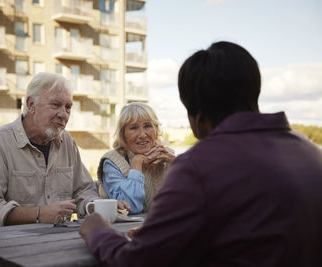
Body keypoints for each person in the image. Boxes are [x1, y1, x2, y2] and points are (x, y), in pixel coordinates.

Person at [79, 41, 322, 266]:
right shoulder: (311, 154)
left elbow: (136, 262)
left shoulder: (197, 167)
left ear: (197, 114)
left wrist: (98, 231)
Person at [0, 72, 129, 227]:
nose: (63, 114)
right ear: (31, 105)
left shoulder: (67, 142)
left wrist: (94, 206)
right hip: (11, 244)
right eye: (55, 105)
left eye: (68, 107)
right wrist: (38, 214)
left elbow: (84, 190)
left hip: (59, 241)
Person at [97, 102, 175, 214]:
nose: (142, 134)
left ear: (156, 130)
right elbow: (131, 207)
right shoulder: (112, 162)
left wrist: (179, 164)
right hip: (122, 230)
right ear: (123, 134)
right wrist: (136, 166)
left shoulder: (167, 157)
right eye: (134, 128)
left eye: (148, 126)